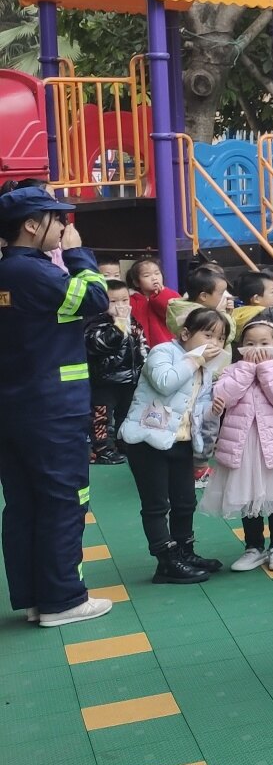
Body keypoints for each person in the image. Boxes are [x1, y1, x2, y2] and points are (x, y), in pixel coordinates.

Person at [0, 184, 111, 626]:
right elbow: (95, 299)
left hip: (17, 407)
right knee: (64, 500)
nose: (64, 225)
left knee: (25, 502)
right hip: (52, 408)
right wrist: (79, 254)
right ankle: (64, 599)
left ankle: (37, 597)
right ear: (31, 225)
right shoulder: (30, 270)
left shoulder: (8, 270)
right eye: (56, 218)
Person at [121, 306, 229, 584]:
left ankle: (184, 551)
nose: (215, 343)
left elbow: (196, 409)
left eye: (221, 339)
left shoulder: (204, 368)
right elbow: (165, 383)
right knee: (157, 504)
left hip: (180, 442)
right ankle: (166, 562)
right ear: (185, 334)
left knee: (185, 502)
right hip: (147, 441)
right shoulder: (163, 352)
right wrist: (195, 359)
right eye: (209, 335)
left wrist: (213, 410)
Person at [203, 315, 273, 572]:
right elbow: (224, 396)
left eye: (264, 343)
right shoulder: (232, 371)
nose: (257, 349)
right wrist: (247, 370)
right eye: (250, 343)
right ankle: (254, 547)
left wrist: (267, 369)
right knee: (247, 497)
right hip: (243, 447)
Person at [87, 277, 145, 464]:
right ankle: (102, 449)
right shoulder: (96, 323)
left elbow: (142, 346)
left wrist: (144, 366)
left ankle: (124, 443)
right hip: (104, 380)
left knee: (127, 414)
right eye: (113, 301)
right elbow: (100, 344)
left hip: (129, 379)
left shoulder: (133, 322)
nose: (120, 305)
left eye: (125, 300)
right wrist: (119, 325)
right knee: (101, 416)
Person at [129, 255, 176, 347]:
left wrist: (162, 294)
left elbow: (174, 313)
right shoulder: (132, 300)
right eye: (147, 275)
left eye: (157, 273)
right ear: (136, 283)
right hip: (142, 348)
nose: (154, 278)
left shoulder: (171, 294)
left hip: (168, 347)